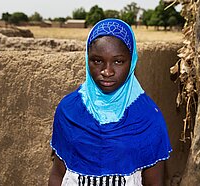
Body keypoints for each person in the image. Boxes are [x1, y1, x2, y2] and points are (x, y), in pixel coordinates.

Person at [49, 18, 172, 186]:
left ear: (132, 61)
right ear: (87, 60)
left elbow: (154, 183)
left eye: (118, 61)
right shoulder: (68, 110)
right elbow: (58, 172)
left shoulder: (148, 117)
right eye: (97, 61)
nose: (107, 71)